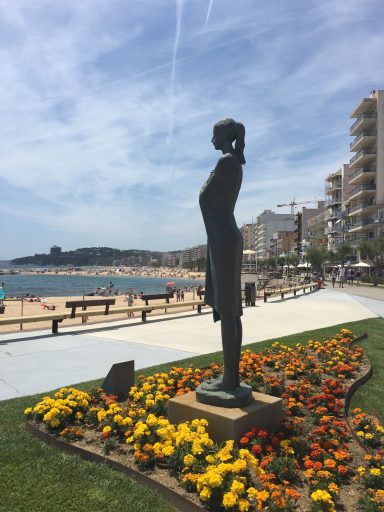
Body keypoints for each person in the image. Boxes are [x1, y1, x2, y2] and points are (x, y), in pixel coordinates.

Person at [198, 118, 250, 403]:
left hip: (223, 240)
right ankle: (230, 376)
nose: (211, 141)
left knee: (229, 310)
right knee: (231, 310)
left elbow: (206, 197)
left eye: (214, 135)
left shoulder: (227, 162)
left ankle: (231, 380)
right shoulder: (231, 162)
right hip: (221, 238)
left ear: (225, 137)